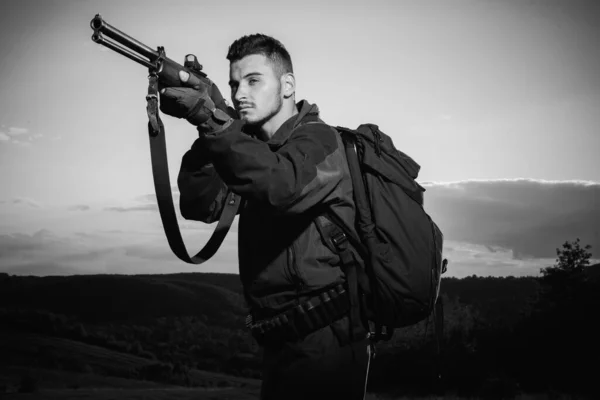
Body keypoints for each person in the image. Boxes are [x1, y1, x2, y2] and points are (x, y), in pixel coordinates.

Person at [159, 33, 372, 400]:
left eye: (254, 81)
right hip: (280, 342)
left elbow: (281, 186)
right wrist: (209, 126)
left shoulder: (320, 142)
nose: (241, 93)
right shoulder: (251, 149)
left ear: (287, 85)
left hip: (327, 340)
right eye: (234, 84)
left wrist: (214, 123)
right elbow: (200, 205)